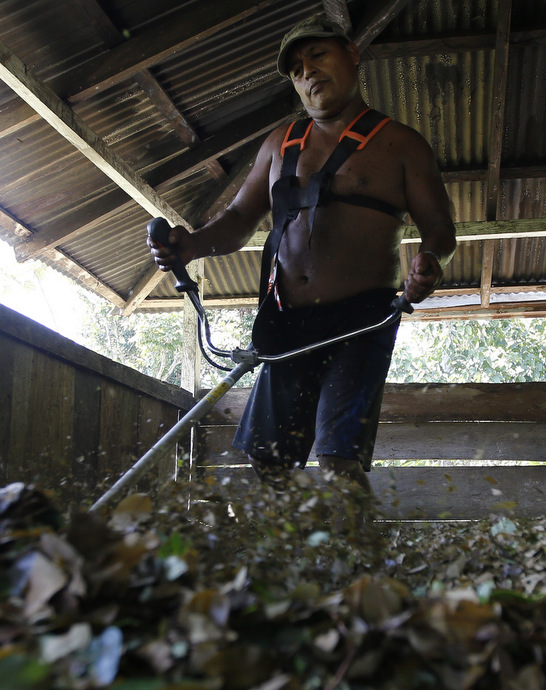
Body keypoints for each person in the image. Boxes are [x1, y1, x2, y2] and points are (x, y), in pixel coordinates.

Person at [148, 13, 456, 502]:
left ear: (351, 54)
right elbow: (237, 218)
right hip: (287, 323)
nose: (307, 72)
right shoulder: (279, 144)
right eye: (295, 68)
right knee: (267, 460)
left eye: (317, 54)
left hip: (362, 322)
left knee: (338, 460)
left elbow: (440, 227)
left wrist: (430, 260)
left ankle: (363, 569)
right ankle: (293, 565)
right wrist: (192, 244)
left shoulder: (401, 145)